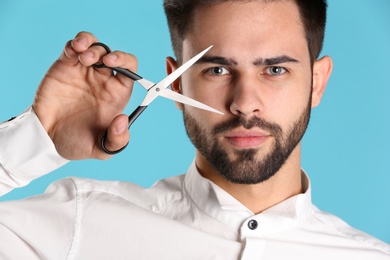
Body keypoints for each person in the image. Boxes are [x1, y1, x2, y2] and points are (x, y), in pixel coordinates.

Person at [0, 0, 389, 259]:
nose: (244, 102)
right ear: (177, 83)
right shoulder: (79, 220)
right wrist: (35, 137)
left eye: (275, 70)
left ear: (317, 83)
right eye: (217, 69)